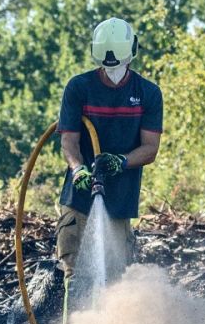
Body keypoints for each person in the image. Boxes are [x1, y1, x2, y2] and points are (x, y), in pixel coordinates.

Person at [55, 17, 163, 275]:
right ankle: (74, 317)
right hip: (79, 197)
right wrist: (78, 168)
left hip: (119, 199)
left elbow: (150, 148)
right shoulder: (79, 87)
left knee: (116, 276)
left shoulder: (148, 93)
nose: (113, 71)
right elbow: (69, 140)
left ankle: (111, 318)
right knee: (72, 268)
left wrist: (120, 161)